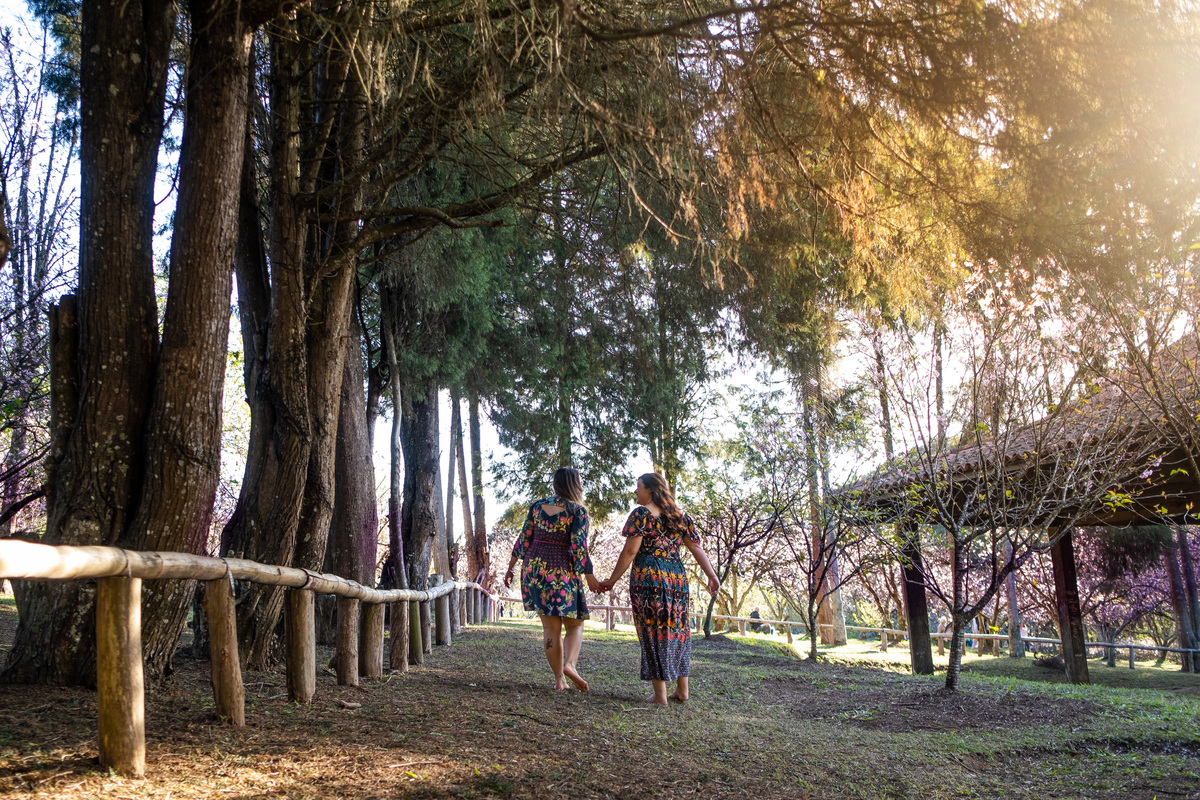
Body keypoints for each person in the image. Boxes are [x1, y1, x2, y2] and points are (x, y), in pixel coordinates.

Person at [600, 473, 720, 705]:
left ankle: (660, 694)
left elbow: (630, 551)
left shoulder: (642, 515)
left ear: (651, 489)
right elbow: (696, 548)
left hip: (649, 577)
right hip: (676, 578)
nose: (635, 491)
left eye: (638, 486)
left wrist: (612, 580)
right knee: (678, 630)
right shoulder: (679, 517)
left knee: (652, 630)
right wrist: (712, 575)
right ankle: (682, 690)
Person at [504, 467, 601, 692]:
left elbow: (523, 538)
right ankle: (570, 665)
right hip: (561, 568)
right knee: (575, 623)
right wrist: (589, 575)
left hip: (535, 569)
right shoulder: (577, 511)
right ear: (574, 485)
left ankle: (559, 680)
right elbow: (579, 546)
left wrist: (510, 568)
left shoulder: (537, 507)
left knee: (550, 628)